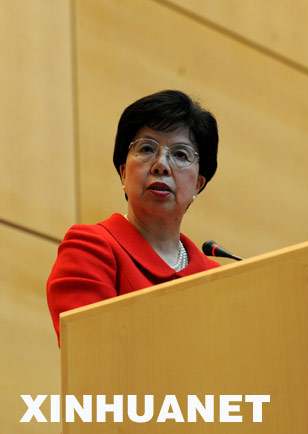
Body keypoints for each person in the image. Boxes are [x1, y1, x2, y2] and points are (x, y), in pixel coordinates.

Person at [47, 90, 220, 345]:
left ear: (198, 184)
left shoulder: (218, 279)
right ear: (124, 173)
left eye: (180, 154)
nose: (161, 165)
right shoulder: (90, 248)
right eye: (147, 149)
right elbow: (91, 351)